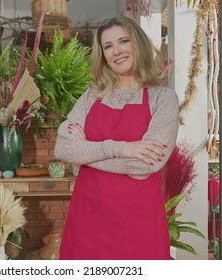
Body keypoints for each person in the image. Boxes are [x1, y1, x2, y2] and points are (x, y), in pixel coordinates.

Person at [53, 16, 179, 260]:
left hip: (138, 225)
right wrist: (121, 148)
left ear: (138, 45)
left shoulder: (163, 99)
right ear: (103, 55)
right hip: (88, 220)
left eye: (123, 41)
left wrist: (86, 154)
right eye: (108, 46)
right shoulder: (91, 97)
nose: (116, 51)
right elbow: (64, 148)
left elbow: (145, 165)